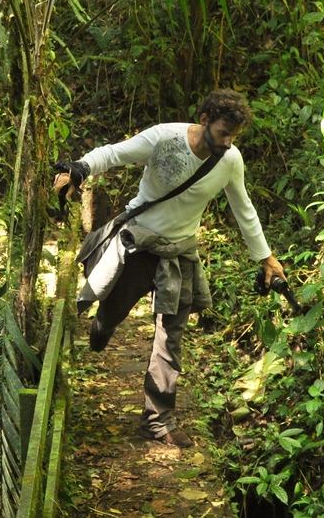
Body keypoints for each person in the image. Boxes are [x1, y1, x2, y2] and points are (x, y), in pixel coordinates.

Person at [53, 89, 285, 448]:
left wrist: (266, 258)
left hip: (179, 255)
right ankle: (104, 323)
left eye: (234, 137)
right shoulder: (164, 137)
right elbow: (115, 153)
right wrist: (80, 167)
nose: (228, 143)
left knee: (170, 338)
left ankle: (157, 421)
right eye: (224, 133)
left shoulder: (230, 160)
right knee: (114, 309)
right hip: (140, 245)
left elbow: (244, 209)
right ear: (205, 120)